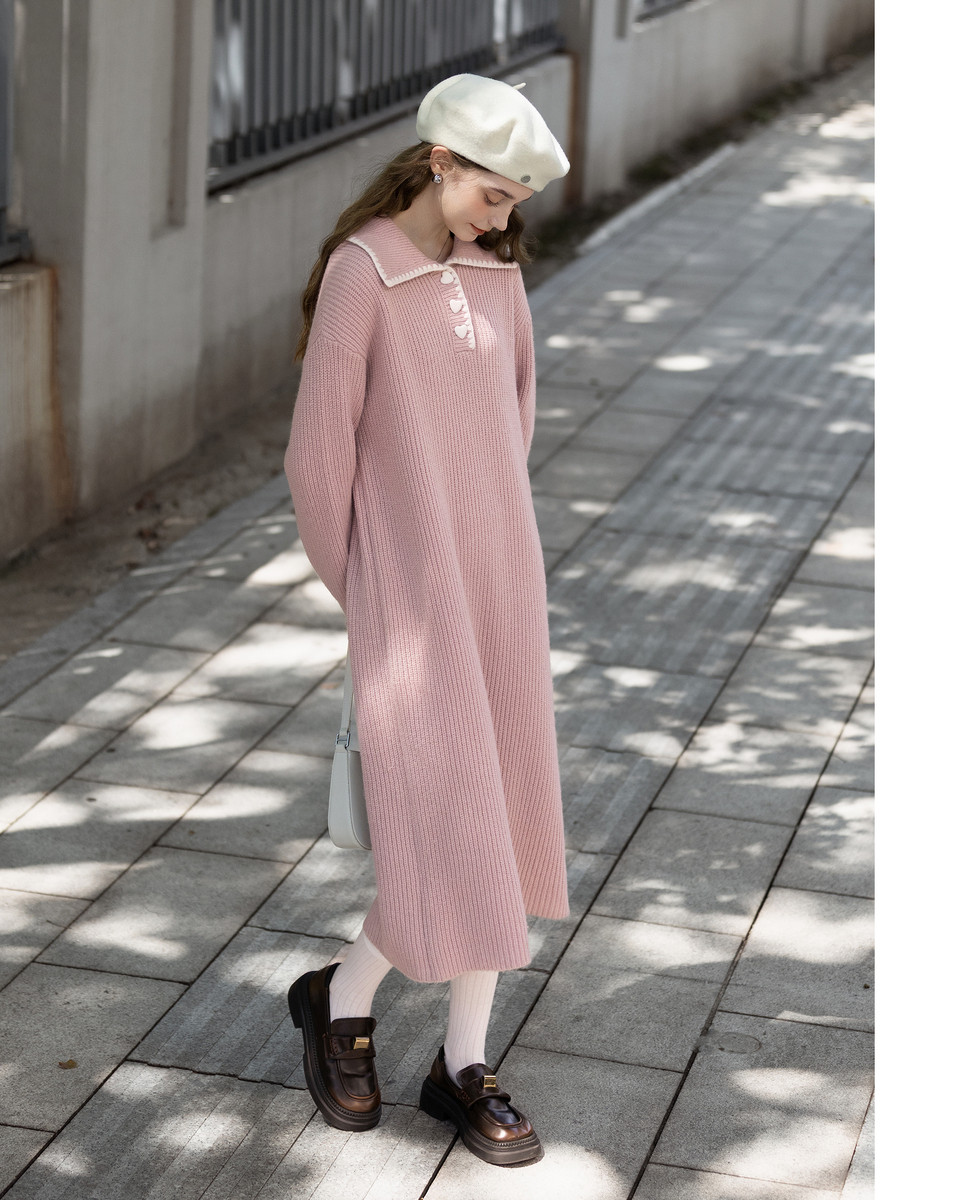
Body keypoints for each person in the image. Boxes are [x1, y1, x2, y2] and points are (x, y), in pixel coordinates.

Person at [283, 72, 571, 1168]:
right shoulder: (362, 274)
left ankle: (460, 1060)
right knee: (440, 820)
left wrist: (490, 534)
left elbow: (514, 415)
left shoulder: (498, 274)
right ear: (441, 162)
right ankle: (345, 997)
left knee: (500, 808)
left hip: (499, 577)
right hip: (408, 596)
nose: (503, 218)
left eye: (516, 202)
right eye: (494, 194)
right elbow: (318, 457)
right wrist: (368, 591)